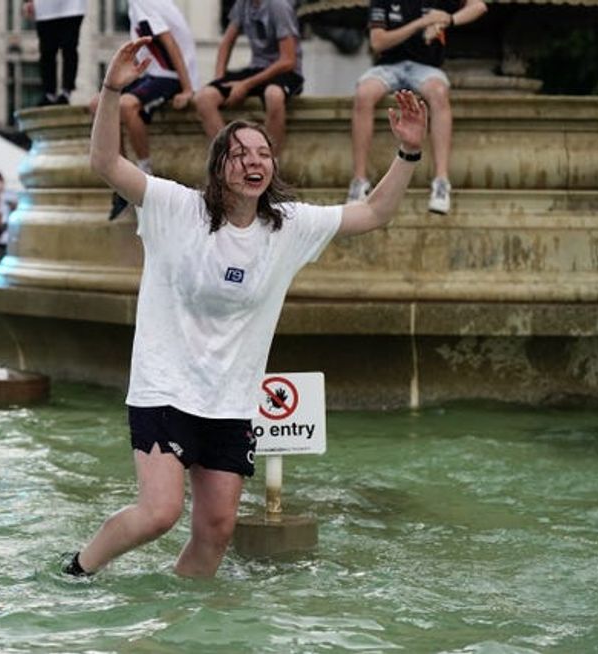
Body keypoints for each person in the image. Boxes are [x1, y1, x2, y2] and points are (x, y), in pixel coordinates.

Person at [65, 39, 429, 578]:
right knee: (160, 513)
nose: (253, 162)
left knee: (216, 530)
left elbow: (374, 212)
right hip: (165, 387)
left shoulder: (288, 227)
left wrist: (408, 153)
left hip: (230, 401)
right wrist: (113, 89)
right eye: (240, 154)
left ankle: (183, 616)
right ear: (220, 166)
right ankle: (77, 570)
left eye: (262, 154)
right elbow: (104, 162)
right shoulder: (176, 207)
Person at [347, 0, 487, 214]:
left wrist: (448, 19)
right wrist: (422, 23)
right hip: (388, 67)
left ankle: (441, 181)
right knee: (363, 94)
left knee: (439, 94)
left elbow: (479, 6)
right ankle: (359, 181)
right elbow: (378, 42)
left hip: (426, 68)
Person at [88, 0, 199, 220]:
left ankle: (145, 172)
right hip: (153, 74)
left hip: (170, 77)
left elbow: (171, 44)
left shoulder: (145, 2)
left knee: (127, 106)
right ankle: (118, 173)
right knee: (98, 104)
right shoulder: (138, 5)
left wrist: (188, 88)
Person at [193, 0, 303, 155]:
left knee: (274, 95)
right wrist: (219, 79)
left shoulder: (278, 6)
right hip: (257, 69)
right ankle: (230, 159)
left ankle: (270, 165)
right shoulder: (243, 4)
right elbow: (226, 42)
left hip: (284, 72)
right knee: (204, 97)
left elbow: (288, 60)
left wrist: (245, 85)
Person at [22, 0, 86, 106]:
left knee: (69, 48)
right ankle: (49, 94)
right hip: (44, 8)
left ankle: (66, 92)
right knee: (47, 51)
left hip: (72, 7)